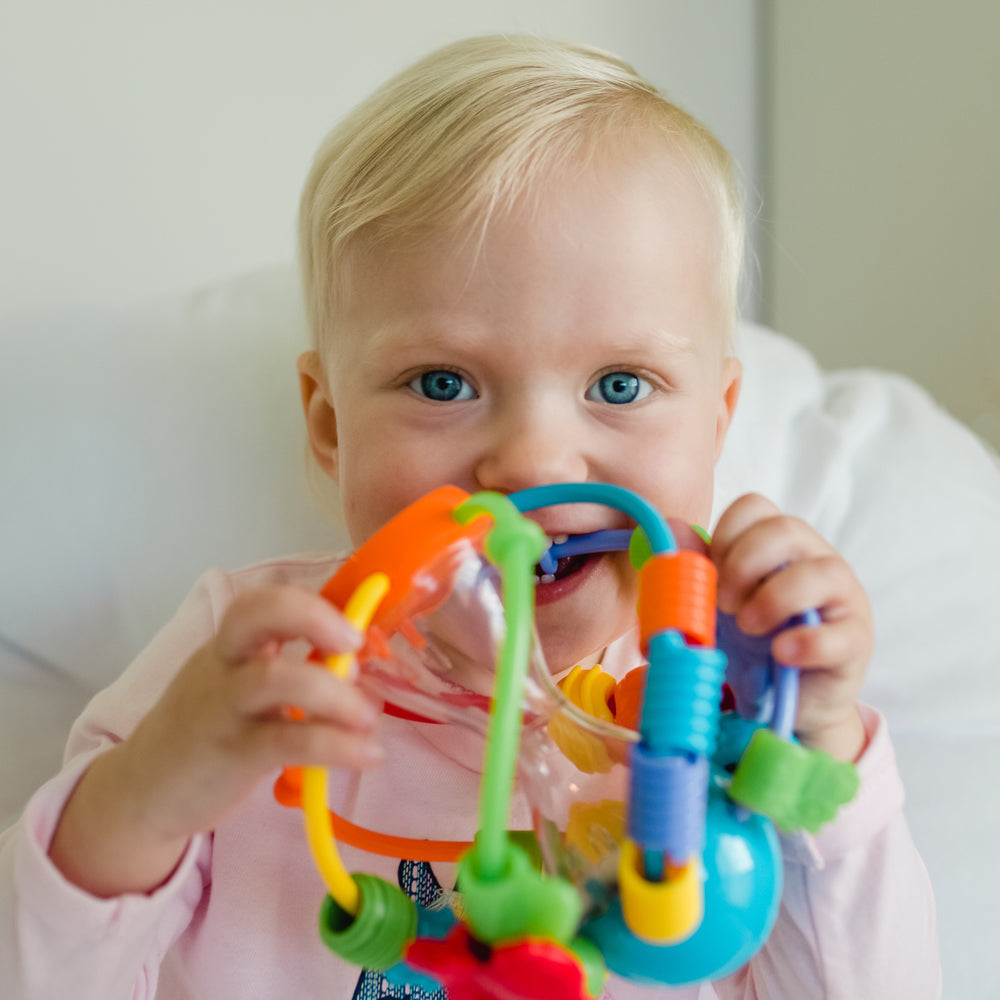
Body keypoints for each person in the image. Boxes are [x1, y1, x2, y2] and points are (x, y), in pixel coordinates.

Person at [0, 34, 939, 999]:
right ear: (329, 426)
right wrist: (155, 790)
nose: (531, 462)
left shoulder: (729, 698)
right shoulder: (248, 659)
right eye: (442, 382)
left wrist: (816, 746)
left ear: (716, 426)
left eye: (620, 383)